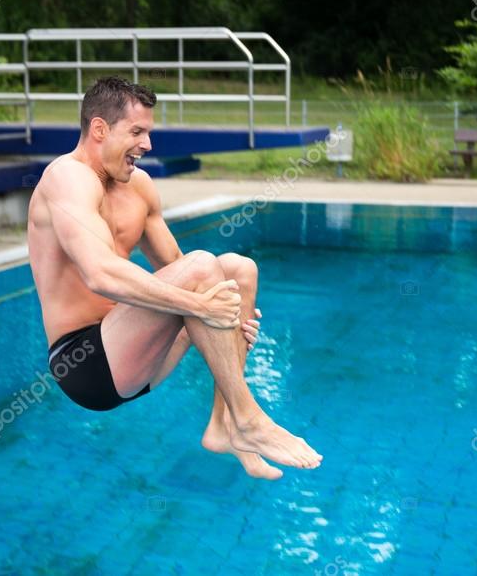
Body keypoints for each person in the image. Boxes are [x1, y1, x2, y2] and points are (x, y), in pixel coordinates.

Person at [26, 76, 321, 479]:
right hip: (84, 363)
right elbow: (98, 273)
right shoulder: (67, 179)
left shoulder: (139, 188)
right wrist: (203, 307)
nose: (147, 145)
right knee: (204, 275)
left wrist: (229, 326)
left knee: (237, 271)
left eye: (148, 132)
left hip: (136, 352)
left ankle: (224, 426)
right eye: (137, 132)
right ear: (99, 129)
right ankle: (250, 418)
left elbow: (187, 270)